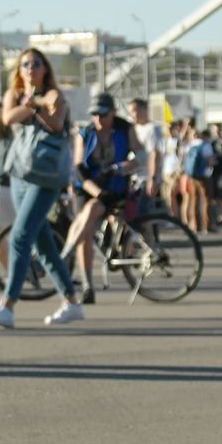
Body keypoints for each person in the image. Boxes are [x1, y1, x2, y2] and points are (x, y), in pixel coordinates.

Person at [0, 47, 82, 328]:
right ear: (19, 69)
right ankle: (72, 301)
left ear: (45, 68)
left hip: (45, 176)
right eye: (25, 64)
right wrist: (33, 104)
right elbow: (8, 117)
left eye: (36, 63)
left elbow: (56, 123)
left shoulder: (54, 94)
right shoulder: (14, 94)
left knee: (20, 236)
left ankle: (7, 305)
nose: (31, 68)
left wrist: (36, 104)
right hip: (20, 174)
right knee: (42, 242)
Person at [60, 92, 140, 303]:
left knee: (92, 210)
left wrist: (125, 166)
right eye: (94, 114)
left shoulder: (125, 129)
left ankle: (65, 255)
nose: (98, 119)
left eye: (103, 114)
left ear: (113, 112)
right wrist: (95, 190)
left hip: (114, 186)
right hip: (87, 187)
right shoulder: (85, 133)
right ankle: (87, 284)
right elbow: (79, 170)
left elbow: (140, 155)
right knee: (86, 229)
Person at [126, 97, 163, 208]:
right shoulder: (133, 128)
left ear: (144, 110)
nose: (132, 115)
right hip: (135, 179)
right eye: (129, 112)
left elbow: (154, 154)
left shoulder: (152, 128)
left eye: (134, 110)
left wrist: (152, 179)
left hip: (146, 179)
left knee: (142, 212)